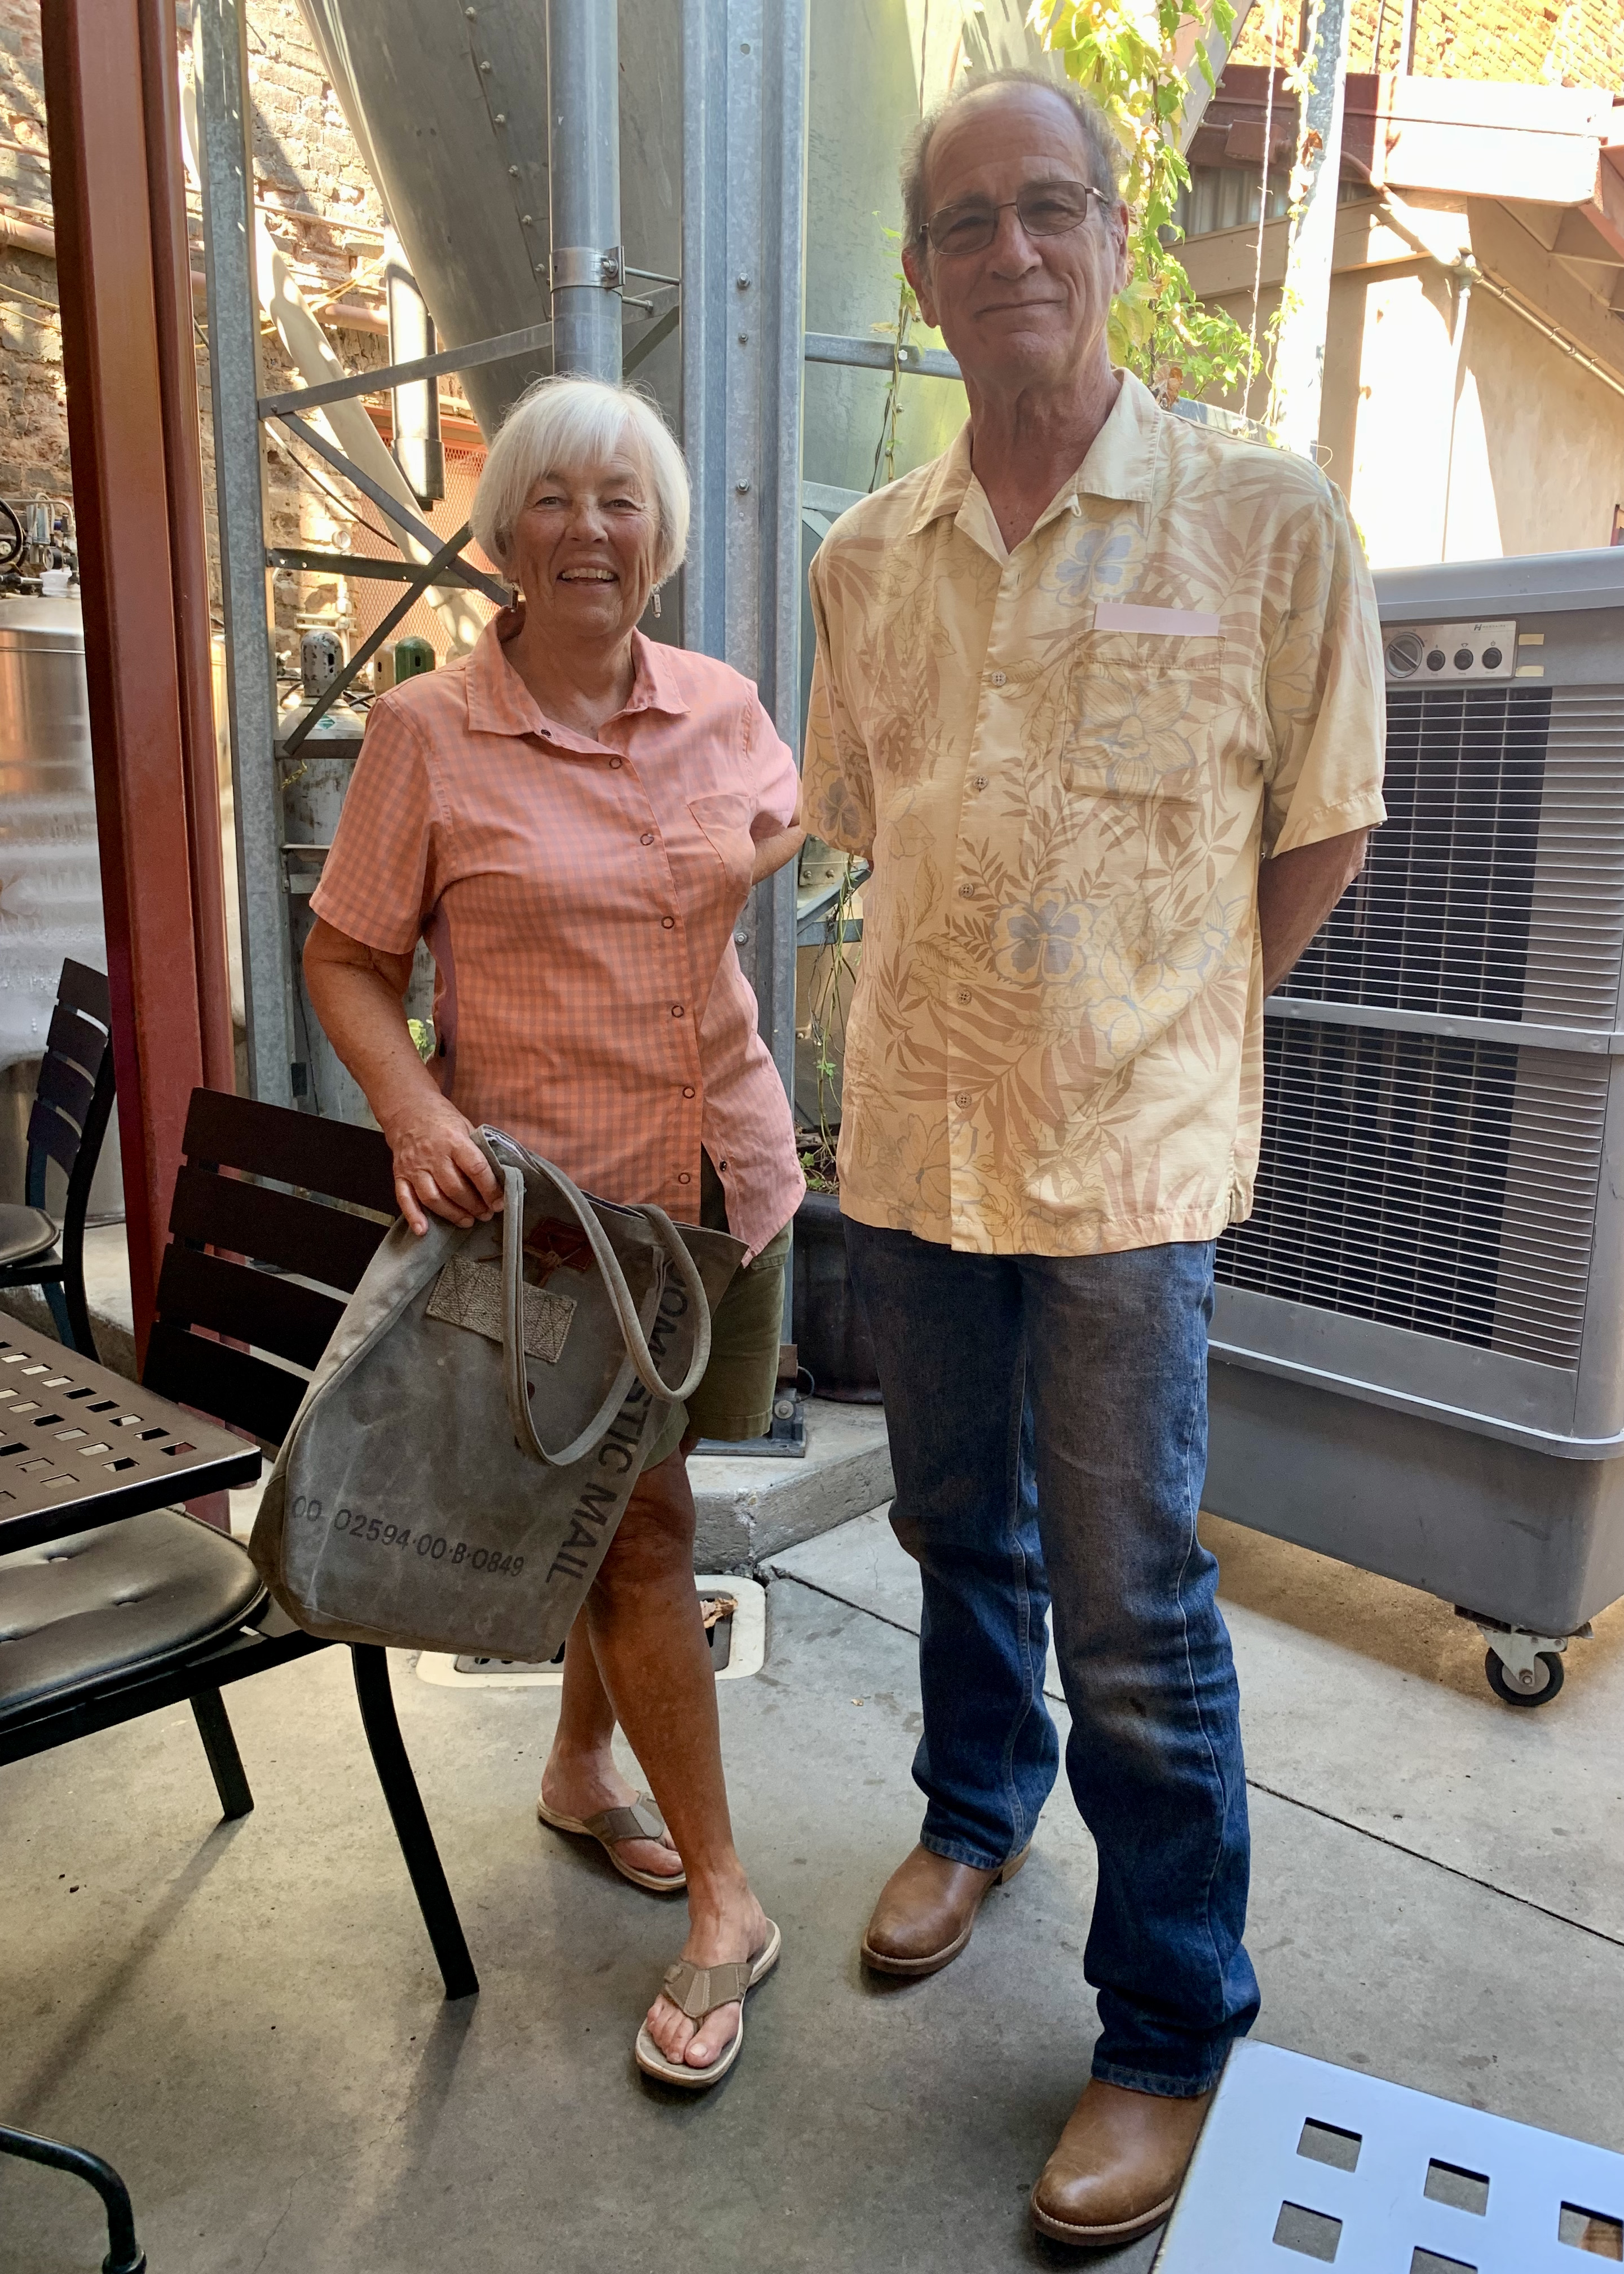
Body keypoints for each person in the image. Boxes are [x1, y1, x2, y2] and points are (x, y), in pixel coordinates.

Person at [801, 68, 1385, 2247]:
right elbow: (869, 824)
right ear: (923, 275)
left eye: (1051, 207)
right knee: (958, 1521)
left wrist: (1181, 1015)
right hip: (920, 1136)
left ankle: (1167, 2024)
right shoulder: (867, 559)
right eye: (968, 223)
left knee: (1132, 1600)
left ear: (1118, 238)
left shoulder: (1265, 522)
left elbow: (1322, 821)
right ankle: (977, 1807)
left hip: (1132, 1158)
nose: (1013, 251)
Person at [303, 373, 805, 2090]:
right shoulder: (427, 733)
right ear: (504, 534)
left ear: (661, 536)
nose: (591, 530)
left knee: (633, 1512)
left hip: (727, 1181)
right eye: (555, 499)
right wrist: (417, 1111)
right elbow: (347, 958)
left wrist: (747, 857)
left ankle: (581, 1768)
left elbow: (781, 822)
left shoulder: (721, 706)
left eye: (623, 501)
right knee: (644, 1534)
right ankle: (729, 1902)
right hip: (560, 1224)